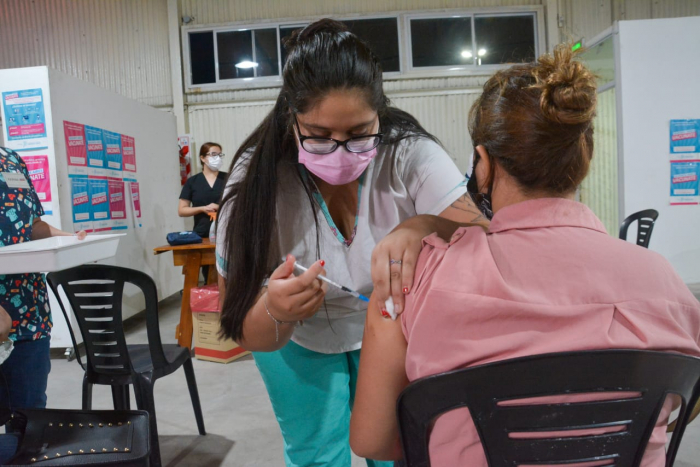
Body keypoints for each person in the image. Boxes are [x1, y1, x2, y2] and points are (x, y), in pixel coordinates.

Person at [349, 45, 700, 466]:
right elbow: (686, 391)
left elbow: (371, 440)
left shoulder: (412, 281)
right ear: (583, 159)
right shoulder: (663, 281)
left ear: (482, 163)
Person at [215, 19, 487, 467]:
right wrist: (275, 309)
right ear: (292, 118)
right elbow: (240, 325)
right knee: (318, 453)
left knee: (398, 448)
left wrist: (423, 225)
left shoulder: (407, 152)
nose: (341, 151)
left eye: (360, 133)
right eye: (319, 137)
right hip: (295, 340)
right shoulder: (254, 186)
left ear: (381, 112)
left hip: (389, 324)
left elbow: (482, 234)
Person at [0, 146, 87, 411]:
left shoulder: (11, 160)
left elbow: (32, 224)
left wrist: (68, 239)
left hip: (30, 311)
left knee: (31, 416)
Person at [178, 142, 227, 238]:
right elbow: (182, 210)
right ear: (202, 158)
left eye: (220, 155)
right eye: (213, 155)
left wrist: (220, 206)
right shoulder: (192, 181)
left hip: (226, 233)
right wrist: (202, 208)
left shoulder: (228, 178)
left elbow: (239, 204)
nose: (217, 158)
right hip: (201, 234)